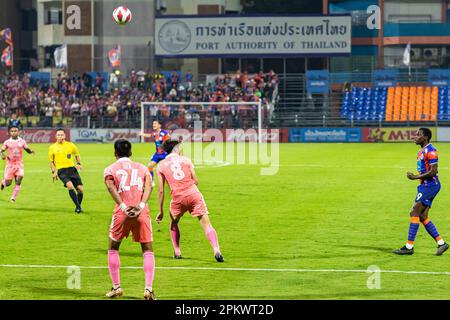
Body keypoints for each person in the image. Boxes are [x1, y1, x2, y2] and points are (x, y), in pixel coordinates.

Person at [104, 139, 156, 300]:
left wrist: (123, 206)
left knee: (113, 247)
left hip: (122, 212)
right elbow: (149, 186)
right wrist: (141, 205)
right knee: (147, 250)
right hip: (141, 212)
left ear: (115, 153)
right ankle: (148, 289)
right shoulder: (142, 168)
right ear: (131, 153)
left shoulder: (110, 169)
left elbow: (110, 187)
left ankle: (117, 287)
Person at [156, 139, 224, 262]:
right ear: (176, 148)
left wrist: (160, 211)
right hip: (193, 193)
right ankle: (216, 250)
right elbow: (196, 181)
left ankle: (177, 251)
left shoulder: (161, 165)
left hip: (177, 198)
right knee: (206, 224)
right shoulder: (186, 160)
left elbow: (161, 190)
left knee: (174, 223)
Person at [393, 128, 449, 255]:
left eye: (418, 135)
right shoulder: (421, 151)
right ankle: (441, 243)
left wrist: (415, 177)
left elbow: (433, 171)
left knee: (414, 212)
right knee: (423, 216)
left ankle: (409, 247)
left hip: (430, 186)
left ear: (425, 137)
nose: (415, 136)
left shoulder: (431, 151)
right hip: (425, 186)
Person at [48, 129, 84, 214]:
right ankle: (79, 207)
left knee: (80, 190)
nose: (60, 136)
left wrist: (78, 163)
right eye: (58, 135)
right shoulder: (52, 147)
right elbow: (51, 162)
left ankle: (77, 206)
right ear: (56, 136)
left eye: (62, 135)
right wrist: (54, 172)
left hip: (72, 169)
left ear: (65, 136)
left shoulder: (71, 145)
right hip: (61, 171)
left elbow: (77, 155)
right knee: (70, 186)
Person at [0, 125, 35, 202]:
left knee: (18, 179)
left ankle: (13, 198)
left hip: (19, 164)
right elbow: (1, 150)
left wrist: (31, 151)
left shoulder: (22, 141)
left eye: (15, 131)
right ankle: (3, 182)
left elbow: (26, 149)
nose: (14, 132)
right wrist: (2, 155)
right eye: (12, 131)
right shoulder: (7, 142)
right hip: (10, 164)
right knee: (8, 183)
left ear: (18, 132)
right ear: (9, 133)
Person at [139, 120, 170, 186]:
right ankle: (152, 181)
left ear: (159, 125)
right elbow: (149, 135)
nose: (153, 125)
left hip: (165, 154)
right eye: (153, 124)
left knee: (167, 169)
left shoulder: (165, 133)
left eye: (155, 123)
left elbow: (168, 141)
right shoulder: (154, 134)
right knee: (150, 166)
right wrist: (142, 134)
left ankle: (171, 182)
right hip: (158, 154)